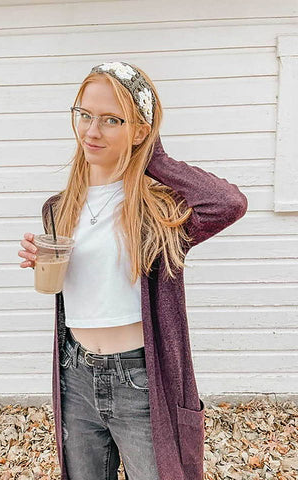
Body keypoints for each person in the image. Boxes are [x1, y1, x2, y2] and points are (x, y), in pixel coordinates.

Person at [18, 61, 248, 480]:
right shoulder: (58, 208)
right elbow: (85, 282)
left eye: (111, 120)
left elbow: (228, 203)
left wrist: (152, 157)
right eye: (84, 114)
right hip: (75, 375)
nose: (91, 130)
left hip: (142, 381)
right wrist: (45, 262)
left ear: (140, 130)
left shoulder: (160, 209)